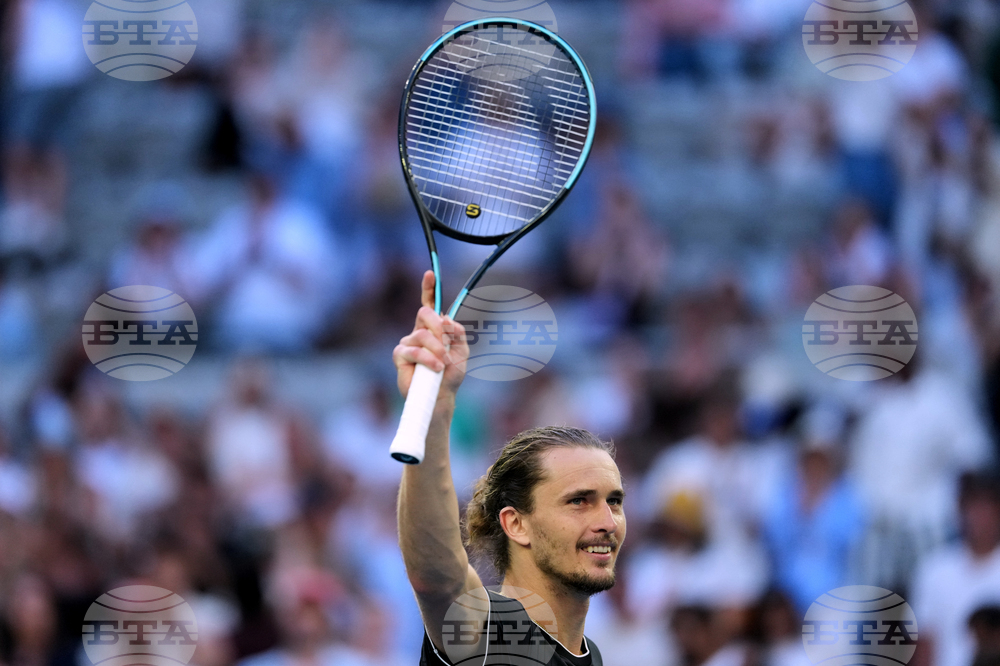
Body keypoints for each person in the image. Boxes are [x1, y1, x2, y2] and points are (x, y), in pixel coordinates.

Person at [393, 271, 626, 665]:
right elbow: (437, 580)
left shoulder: (592, 656)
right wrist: (434, 410)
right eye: (579, 502)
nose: (608, 521)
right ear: (516, 523)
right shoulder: (496, 635)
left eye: (614, 501)